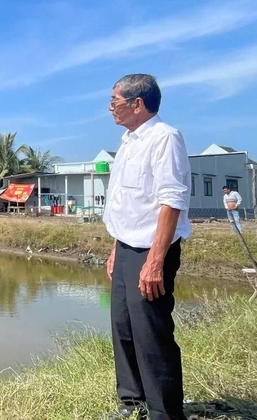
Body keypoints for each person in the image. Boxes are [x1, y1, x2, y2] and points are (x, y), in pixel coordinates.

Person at [103, 74, 190, 420]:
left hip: (152, 251)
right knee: (123, 328)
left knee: (151, 333)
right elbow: (128, 203)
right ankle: (132, 404)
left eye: (115, 101)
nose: (111, 107)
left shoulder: (164, 137)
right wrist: (116, 247)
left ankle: (164, 413)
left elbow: (171, 201)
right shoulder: (128, 141)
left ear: (137, 104)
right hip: (127, 247)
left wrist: (155, 262)